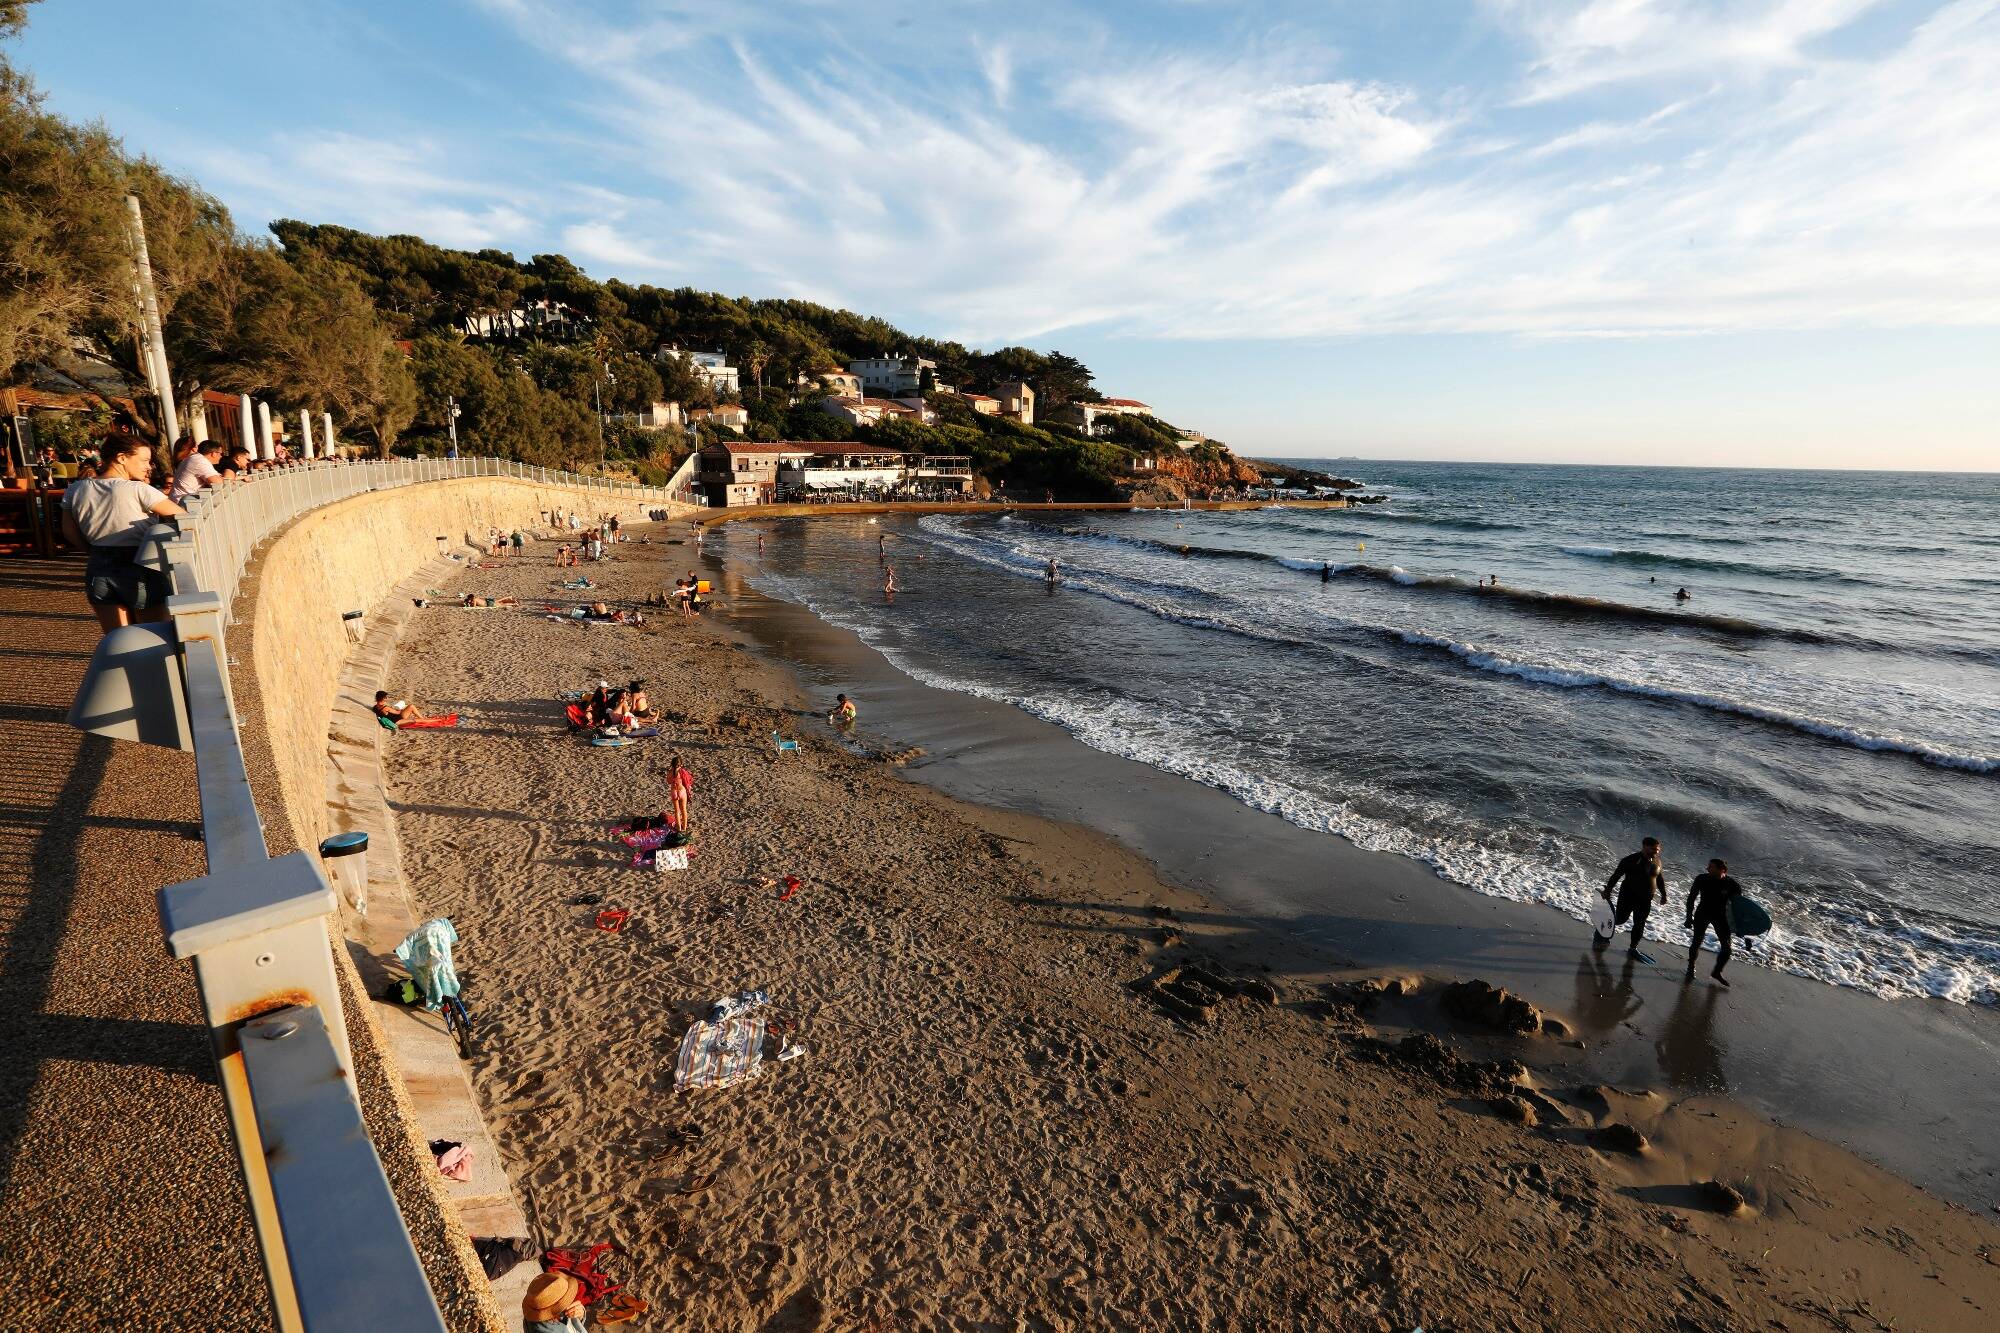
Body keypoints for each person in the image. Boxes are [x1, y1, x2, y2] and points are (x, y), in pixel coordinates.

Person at [59, 434, 185, 632]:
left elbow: (68, 531)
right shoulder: (138, 489)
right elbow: (183, 517)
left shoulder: (75, 489)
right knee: (154, 638)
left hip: (98, 567)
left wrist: (91, 551)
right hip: (141, 564)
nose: (149, 466)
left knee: (117, 639)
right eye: (144, 460)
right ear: (121, 457)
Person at [1602, 836, 1668, 956]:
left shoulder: (1657, 861)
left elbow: (1660, 879)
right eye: (1653, 849)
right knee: (1621, 919)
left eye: (1658, 849)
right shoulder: (1631, 860)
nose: (1656, 851)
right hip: (1628, 895)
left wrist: (1664, 894)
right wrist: (1608, 890)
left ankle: (1633, 948)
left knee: (1640, 923)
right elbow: (1616, 875)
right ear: (1644, 846)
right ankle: (1601, 931)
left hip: (1646, 899)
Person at [1685, 858, 1742, 986]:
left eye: (1711, 867)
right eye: (1708, 866)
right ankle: (1691, 966)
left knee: (1727, 949)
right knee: (1696, 942)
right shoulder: (1701, 879)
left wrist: (1740, 927)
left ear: (1722, 870)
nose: (1707, 868)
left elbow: (1738, 908)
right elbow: (1691, 898)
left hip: (1721, 917)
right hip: (1703, 913)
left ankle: (1717, 972)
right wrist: (1689, 917)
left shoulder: (1732, 885)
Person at [522, 1271, 588, 1333]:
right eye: (565, 1300)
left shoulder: (534, 1311)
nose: (569, 1302)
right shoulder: (546, 1330)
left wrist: (580, 1316)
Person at [170, 438, 226, 505]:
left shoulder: (188, 460)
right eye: (220, 453)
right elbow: (217, 483)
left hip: (180, 502)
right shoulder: (198, 460)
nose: (221, 456)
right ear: (194, 448)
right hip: (186, 504)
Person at [669, 754, 694, 832]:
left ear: (672, 764)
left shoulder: (670, 772)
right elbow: (688, 780)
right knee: (684, 810)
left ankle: (679, 828)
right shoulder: (683, 772)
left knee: (677, 811)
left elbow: (669, 781)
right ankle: (684, 827)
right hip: (682, 791)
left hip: (674, 792)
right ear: (681, 764)